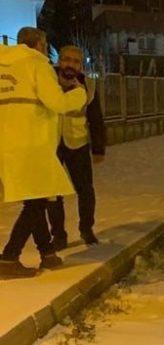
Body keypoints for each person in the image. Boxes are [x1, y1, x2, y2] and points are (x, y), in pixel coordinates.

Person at [0, 28, 87, 278]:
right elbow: (57, 103)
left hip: (7, 141)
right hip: (32, 142)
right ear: (39, 44)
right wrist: (79, 93)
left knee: (33, 198)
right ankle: (9, 258)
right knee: (37, 202)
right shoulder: (37, 64)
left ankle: (47, 253)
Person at [46, 45, 106, 249]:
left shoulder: (88, 84)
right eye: (66, 60)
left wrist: (99, 149)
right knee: (53, 193)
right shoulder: (47, 80)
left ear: (81, 65)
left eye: (75, 61)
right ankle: (59, 236)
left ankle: (87, 229)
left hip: (77, 143)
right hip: (51, 143)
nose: (70, 64)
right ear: (59, 61)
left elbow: (96, 119)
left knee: (86, 190)